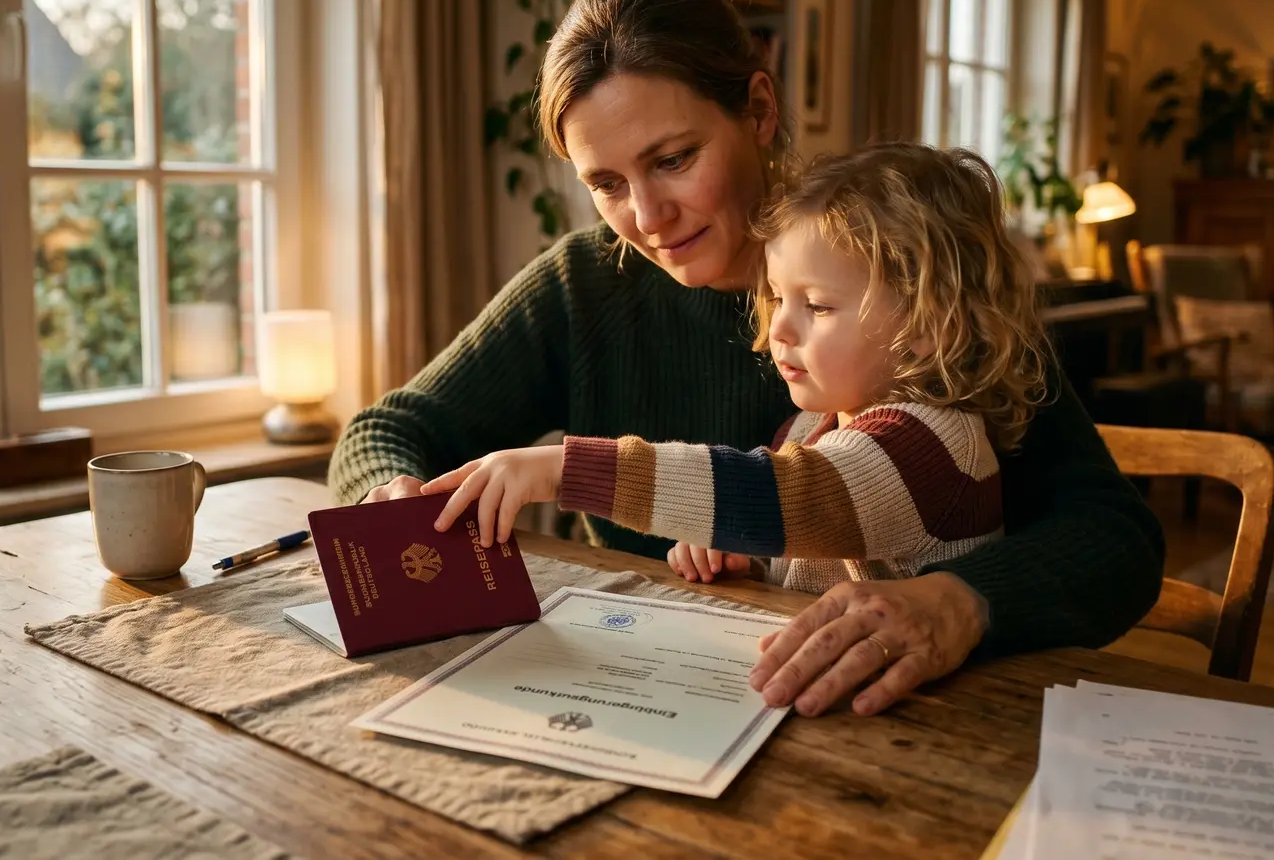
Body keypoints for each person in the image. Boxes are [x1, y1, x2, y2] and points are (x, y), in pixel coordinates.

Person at [328, 0, 1163, 718]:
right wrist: (387, 497)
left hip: (893, 718)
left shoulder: (903, 276)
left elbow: (1116, 538)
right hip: (648, 693)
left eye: (674, 159)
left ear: (759, 110)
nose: (647, 218)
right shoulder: (584, 283)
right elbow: (389, 428)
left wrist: (961, 601)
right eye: (607, 184)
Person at [423, 143, 1045, 614]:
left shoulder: (933, 443)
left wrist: (565, 469)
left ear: (929, 325)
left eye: (818, 306)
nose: (781, 330)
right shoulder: (816, 421)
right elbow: (814, 543)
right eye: (777, 298)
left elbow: (791, 497)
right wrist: (751, 557)